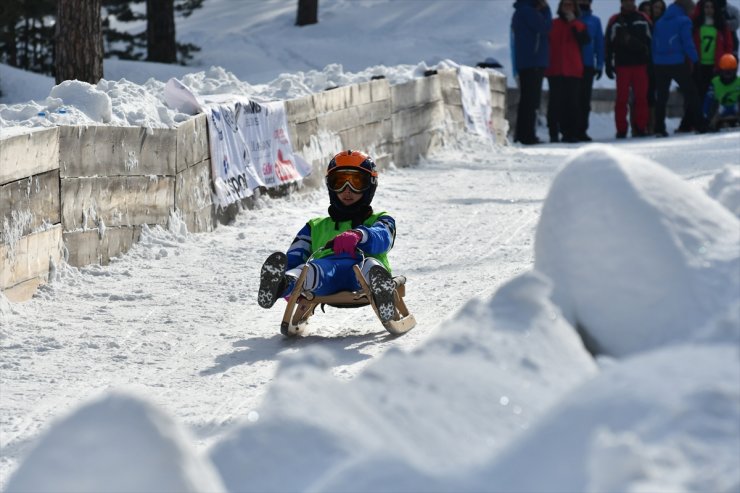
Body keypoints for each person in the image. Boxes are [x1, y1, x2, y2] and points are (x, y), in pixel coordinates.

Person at [257, 150, 398, 322]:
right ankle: (283, 284)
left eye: (356, 182)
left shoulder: (381, 220)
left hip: (362, 273)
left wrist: (360, 234)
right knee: (309, 270)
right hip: (326, 274)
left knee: (370, 265)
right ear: (330, 186)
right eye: (339, 182)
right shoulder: (315, 226)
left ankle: (381, 288)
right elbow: (296, 255)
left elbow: (384, 238)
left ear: (370, 186)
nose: (347, 190)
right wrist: (289, 271)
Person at [653, 0, 708, 136]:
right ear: (686, 8)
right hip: (677, 62)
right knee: (692, 93)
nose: (692, 13)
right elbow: (687, 43)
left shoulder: (660, 22)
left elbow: (654, 43)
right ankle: (701, 125)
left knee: (661, 96)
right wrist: (696, 60)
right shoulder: (684, 21)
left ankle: (659, 128)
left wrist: (655, 60)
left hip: (659, 64)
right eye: (691, 10)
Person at [605, 0, 654, 138]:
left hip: (641, 64)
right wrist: (608, 63)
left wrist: (650, 63)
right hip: (622, 65)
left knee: (641, 98)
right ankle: (621, 129)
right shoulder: (614, 20)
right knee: (621, 99)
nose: (628, 3)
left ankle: (641, 127)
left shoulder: (643, 18)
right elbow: (608, 43)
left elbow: (652, 42)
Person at [546, 0, 591, 142]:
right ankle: (553, 133)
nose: (568, 7)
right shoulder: (552, 24)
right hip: (555, 69)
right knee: (555, 103)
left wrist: (574, 23)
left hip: (573, 69)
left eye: (570, 4)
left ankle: (570, 133)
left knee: (572, 103)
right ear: (560, 7)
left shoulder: (580, 25)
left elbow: (584, 41)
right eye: (565, 4)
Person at [512, 0, 554, 145]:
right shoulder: (528, 11)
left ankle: (522, 134)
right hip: (533, 60)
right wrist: (546, 10)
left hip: (527, 61)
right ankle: (526, 135)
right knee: (531, 101)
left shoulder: (520, 10)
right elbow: (545, 27)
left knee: (526, 100)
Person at [691, 0, 734, 106]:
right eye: (706, 7)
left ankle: (712, 119)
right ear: (702, 9)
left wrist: (725, 63)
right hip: (699, 65)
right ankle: (698, 119)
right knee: (698, 93)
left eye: (711, 7)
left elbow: (728, 46)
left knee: (714, 95)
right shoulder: (696, 25)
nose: (709, 10)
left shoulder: (722, 26)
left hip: (716, 66)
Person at [577, 0, 605, 141]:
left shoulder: (595, 21)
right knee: (570, 99)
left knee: (584, 100)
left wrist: (600, 64)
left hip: (587, 65)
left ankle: (582, 130)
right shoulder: (571, 18)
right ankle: (570, 129)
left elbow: (600, 43)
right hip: (571, 65)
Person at [703, 53, 740, 128]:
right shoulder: (715, 82)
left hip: (736, 109)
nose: (728, 75)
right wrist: (704, 115)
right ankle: (711, 124)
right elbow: (708, 100)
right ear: (721, 71)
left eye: (730, 71)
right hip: (719, 110)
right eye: (726, 71)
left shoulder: (739, 82)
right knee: (712, 102)